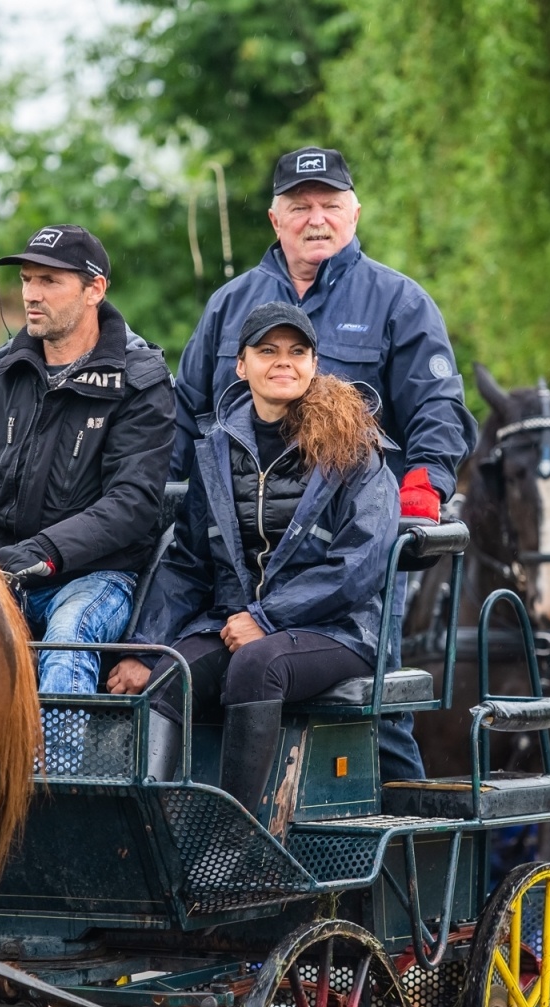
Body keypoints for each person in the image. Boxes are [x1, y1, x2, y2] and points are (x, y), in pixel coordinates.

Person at [170, 145, 478, 782]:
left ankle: (397, 860)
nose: (317, 218)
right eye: (300, 206)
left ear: (355, 214)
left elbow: (439, 409)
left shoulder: (399, 302)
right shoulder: (230, 305)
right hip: (243, 554)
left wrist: (424, 485)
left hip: (348, 550)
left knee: (375, 714)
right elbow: (186, 414)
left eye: (330, 205)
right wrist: (160, 495)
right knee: (207, 683)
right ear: (274, 219)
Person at [109, 302, 398, 814]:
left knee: (256, 666)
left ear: (314, 363)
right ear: (242, 365)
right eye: (268, 351)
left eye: (297, 351)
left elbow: (358, 566)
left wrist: (266, 618)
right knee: (173, 674)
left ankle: (233, 839)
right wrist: (146, 650)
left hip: (339, 630)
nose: (283, 362)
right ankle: (147, 833)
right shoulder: (216, 451)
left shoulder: (354, 447)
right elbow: (187, 564)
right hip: (237, 623)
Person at [0, 225, 175, 766]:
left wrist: (42, 553)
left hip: (97, 576)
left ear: (94, 289)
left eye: (49, 281)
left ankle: (61, 797)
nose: (31, 293)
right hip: (1, 568)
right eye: (27, 280)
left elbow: (132, 504)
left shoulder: (141, 380)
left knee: (69, 633)